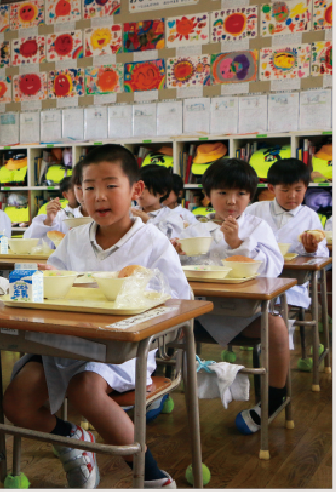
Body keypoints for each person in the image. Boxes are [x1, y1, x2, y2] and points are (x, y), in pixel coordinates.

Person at [3, 145, 189, 489]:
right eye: (89, 187)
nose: (98, 196)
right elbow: (54, 285)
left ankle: (151, 475)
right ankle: (73, 439)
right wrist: (44, 279)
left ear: (135, 190)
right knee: (16, 402)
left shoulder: (153, 242)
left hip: (122, 348)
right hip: (64, 344)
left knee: (85, 389)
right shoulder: (74, 239)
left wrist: (144, 295)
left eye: (110, 186)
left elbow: (180, 303)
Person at [175, 158, 284, 434]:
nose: (231, 201)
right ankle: (157, 389)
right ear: (208, 195)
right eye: (222, 193)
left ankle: (273, 397)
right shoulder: (197, 229)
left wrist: (238, 244)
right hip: (202, 312)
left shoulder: (258, 227)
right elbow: (183, 272)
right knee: (162, 323)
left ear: (251, 196)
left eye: (241, 194)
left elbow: (274, 267)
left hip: (247, 314)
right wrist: (176, 254)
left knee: (278, 327)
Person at [244, 159, 329, 310]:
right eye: (285, 190)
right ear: (272, 188)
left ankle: (280, 329)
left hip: (292, 283)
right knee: (248, 305)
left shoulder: (309, 216)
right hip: (256, 278)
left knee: (276, 306)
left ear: (306, 189)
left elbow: (323, 255)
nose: (292, 195)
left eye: (298, 190)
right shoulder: (255, 210)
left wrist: (312, 250)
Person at [23, 177, 83, 247]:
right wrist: (48, 221)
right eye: (75, 190)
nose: (80, 193)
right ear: (65, 195)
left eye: (83, 189)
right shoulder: (59, 215)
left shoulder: (92, 213)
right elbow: (29, 240)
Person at [132, 165, 183, 239]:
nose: (139, 192)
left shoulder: (172, 216)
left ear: (162, 192)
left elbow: (169, 239)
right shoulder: (131, 212)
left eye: (145, 188)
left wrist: (148, 221)